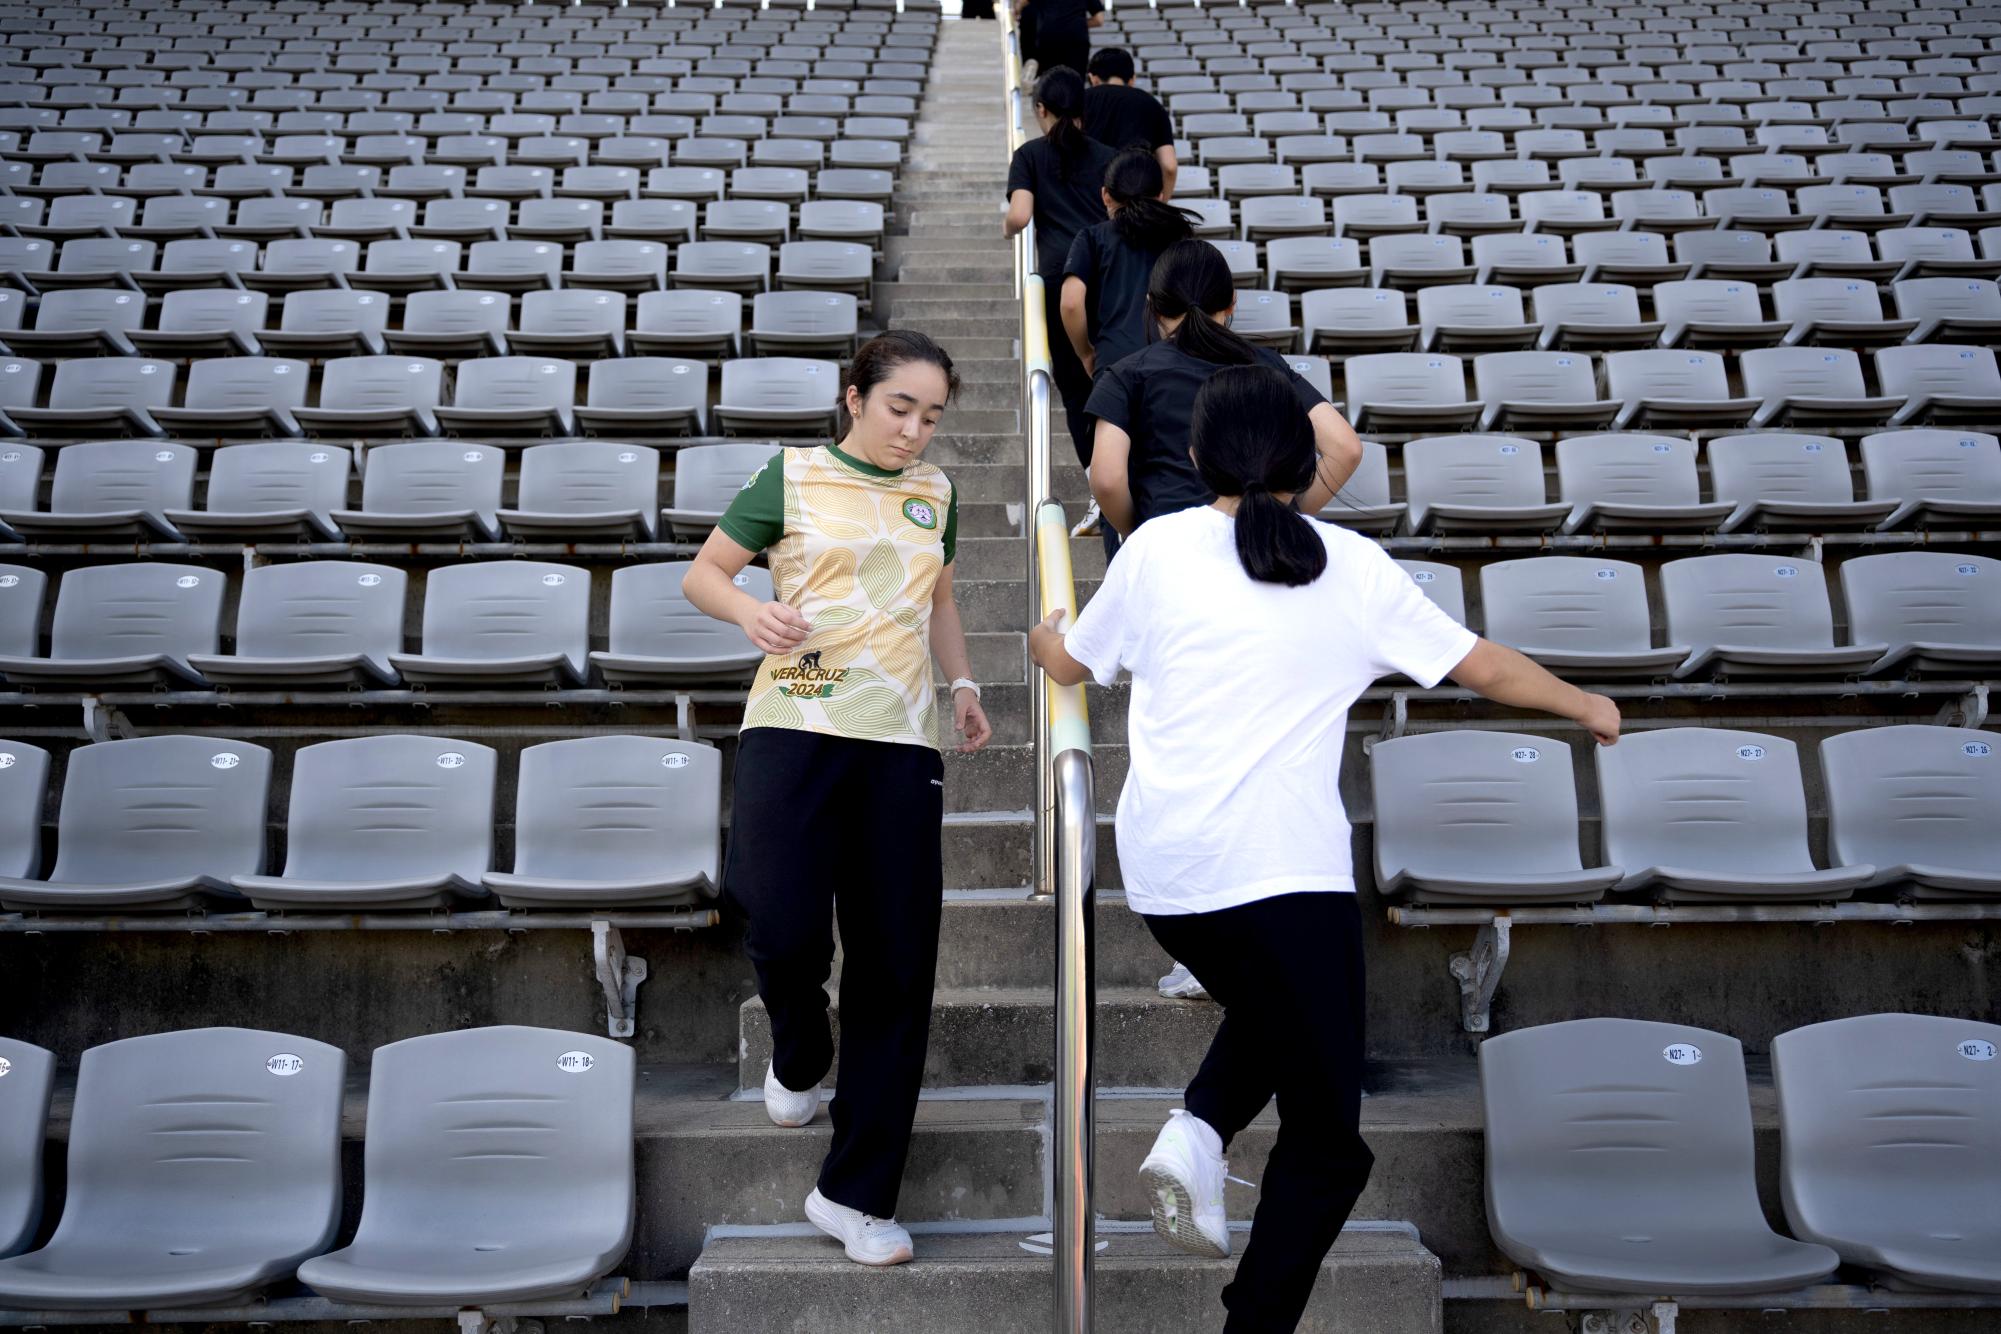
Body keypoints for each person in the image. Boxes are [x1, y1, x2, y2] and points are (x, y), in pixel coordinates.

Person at [1028, 365, 1621, 1333]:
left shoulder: (1158, 547)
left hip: (1167, 871)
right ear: (1308, 463)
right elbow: (1484, 665)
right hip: (1287, 870)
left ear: (1190, 456)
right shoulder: (1351, 564)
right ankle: (1245, 1295)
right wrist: (1585, 702)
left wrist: (1044, 636)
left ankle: (1198, 1130)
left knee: (1274, 1009)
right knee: (1330, 1140)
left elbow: (1075, 662)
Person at [683, 330, 995, 1270]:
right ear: (854, 395)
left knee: (896, 969)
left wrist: (968, 684)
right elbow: (704, 573)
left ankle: (856, 1194)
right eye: (901, 407)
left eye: (932, 416)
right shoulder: (790, 475)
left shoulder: (936, 494)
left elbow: (937, 601)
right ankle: (797, 1050)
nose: (915, 430)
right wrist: (750, 611)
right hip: (795, 718)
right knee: (777, 923)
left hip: (901, 740)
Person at [1087, 238, 1363, 543]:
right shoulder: (1268, 364)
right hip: (1260, 546)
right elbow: (1345, 448)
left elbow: (1107, 479)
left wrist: (1137, 533)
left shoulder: (1126, 373)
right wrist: (1288, 512)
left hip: (1169, 542)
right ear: (1232, 301)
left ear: (1152, 305)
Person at [1005, 68, 1117, 481]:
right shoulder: (1108, 156)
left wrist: (1006, 230)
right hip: (1109, 276)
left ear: (1041, 109)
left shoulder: (1030, 155)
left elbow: (1020, 215)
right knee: (1119, 379)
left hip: (1060, 280)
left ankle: (1096, 482)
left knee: (1074, 389)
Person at [1060, 148, 1193, 385]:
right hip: (1172, 360)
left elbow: (1070, 303)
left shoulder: (1092, 237)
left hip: (1114, 361)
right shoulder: (1180, 236)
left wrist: (1086, 353)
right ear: (1161, 195)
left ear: (1105, 195)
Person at [1083, 47, 1177, 200]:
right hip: (1136, 200)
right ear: (1132, 79)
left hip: (1088, 201)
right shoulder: (1151, 104)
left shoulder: (1081, 101)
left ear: (1093, 78)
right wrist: (1160, 206)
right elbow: (1169, 166)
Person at [1014, 0, 1101, 79]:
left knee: (1050, 83)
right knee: (1075, 83)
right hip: (1076, 39)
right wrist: (1078, 23)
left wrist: (1016, 11)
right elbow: (1099, 20)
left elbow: (1020, 4)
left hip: (1049, 38)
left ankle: (1031, 67)